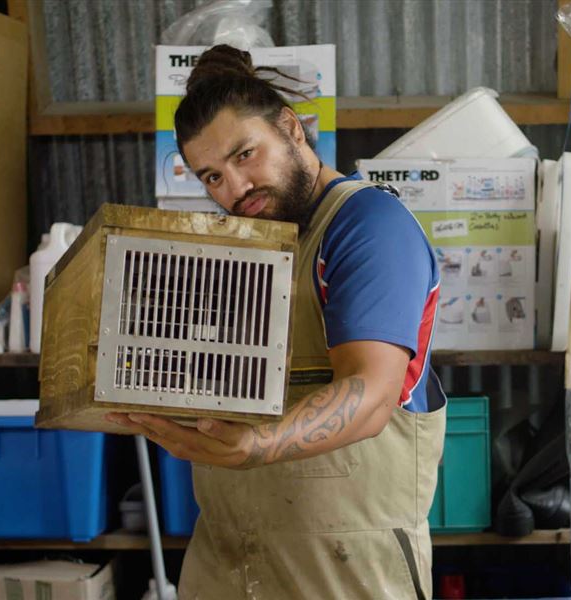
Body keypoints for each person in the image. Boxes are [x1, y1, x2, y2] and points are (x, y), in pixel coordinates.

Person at [106, 44, 447, 599]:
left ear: (290, 128)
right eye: (211, 176)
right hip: (227, 564)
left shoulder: (367, 226)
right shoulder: (247, 253)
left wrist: (254, 445)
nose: (234, 189)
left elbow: (373, 391)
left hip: (342, 572)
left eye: (245, 155)